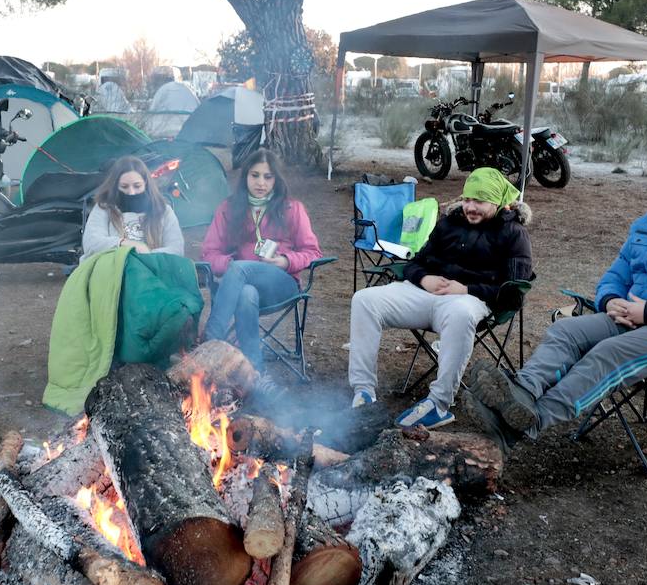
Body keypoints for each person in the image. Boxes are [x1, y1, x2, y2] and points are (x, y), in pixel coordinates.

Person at [466, 158, 647, 449]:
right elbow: (616, 275)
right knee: (565, 332)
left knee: (608, 352)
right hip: (630, 318)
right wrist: (610, 299)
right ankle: (522, 394)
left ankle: (531, 421)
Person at [348, 168, 533, 429]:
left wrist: (467, 290)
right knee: (364, 300)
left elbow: (514, 292)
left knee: (461, 313)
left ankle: (439, 403)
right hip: (426, 293)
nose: (470, 207)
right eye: (467, 199)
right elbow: (415, 263)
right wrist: (424, 279)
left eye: (479, 201)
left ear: (498, 202)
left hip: (468, 300)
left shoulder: (514, 233)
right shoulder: (449, 222)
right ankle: (363, 391)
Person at [200, 149, 322, 372]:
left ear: (276, 179)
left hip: (281, 283)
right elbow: (209, 253)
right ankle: (255, 372)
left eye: (268, 176)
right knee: (246, 292)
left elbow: (312, 251)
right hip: (238, 288)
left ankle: (210, 340)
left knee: (240, 271)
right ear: (245, 176)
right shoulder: (228, 208)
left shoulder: (292, 208)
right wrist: (228, 265)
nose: (261, 183)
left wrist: (285, 261)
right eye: (254, 175)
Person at [82, 156, 185, 258]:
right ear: (115, 186)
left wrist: (145, 256)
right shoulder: (104, 208)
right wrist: (126, 244)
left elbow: (176, 249)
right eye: (124, 186)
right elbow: (91, 243)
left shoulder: (163, 211)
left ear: (145, 183)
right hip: (113, 270)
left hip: (152, 269)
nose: (131, 192)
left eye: (137, 186)